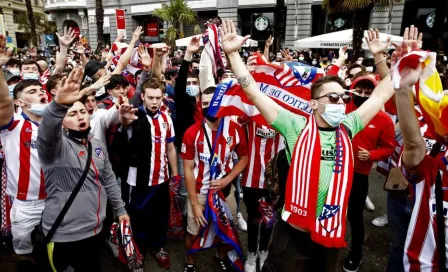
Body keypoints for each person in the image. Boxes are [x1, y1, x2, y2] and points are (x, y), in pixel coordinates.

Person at [219, 19, 395, 271]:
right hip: (293, 235)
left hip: (330, 235)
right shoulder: (294, 126)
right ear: (313, 103)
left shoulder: (348, 125)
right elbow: (254, 92)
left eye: (343, 97)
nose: (339, 102)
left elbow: (382, 93)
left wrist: (380, 57)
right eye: (332, 97)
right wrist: (233, 54)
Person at [36, 67, 130, 271]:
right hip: (63, 236)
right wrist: (58, 106)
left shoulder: (96, 145)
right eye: (71, 113)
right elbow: (46, 132)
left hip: (95, 232)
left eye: (82, 112)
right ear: (62, 121)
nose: (80, 116)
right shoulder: (53, 148)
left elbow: (109, 180)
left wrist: (121, 210)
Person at [392, 37, 448, 271]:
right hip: (401, 187)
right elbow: (410, 145)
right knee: (397, 244)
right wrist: (403, 89)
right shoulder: (418, 117)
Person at [181, 86, 249, 272]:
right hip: (200, 193)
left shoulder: (234, 129)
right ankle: (190, 262)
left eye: (213, 102)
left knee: (227, 230)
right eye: (204, 103)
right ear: (199, 105)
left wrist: (228, 180)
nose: (209, 106)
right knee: (193, 232)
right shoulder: (192, 132)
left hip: (226, 192)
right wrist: (194, 203)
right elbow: (187, 169)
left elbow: (244, 158)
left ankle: (221, 257)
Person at [118, 76, 179, 269]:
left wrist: (175, 175)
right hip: (138, 180)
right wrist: (124, 120)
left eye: (158, 98)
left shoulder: (166, 118)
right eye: (150, 97)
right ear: (142, 96)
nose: (154, 102)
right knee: (138, 217)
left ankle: (158, 246)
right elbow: (123, 125)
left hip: (161, 178)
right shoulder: (133, 116)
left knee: (160, 216)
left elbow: (170, 148)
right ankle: (137, 251)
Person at [343, 74, 396, 272]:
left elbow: (389, 148)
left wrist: (372, 154)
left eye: (368, 92)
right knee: (329, 211)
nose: (363, 95)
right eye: (359, 91)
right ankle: (325, 246)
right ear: (352, 90)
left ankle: (355, 254)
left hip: (359, 175)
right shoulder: (340, 110)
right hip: (333, 172)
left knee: (355, 217)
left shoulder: (383, 119)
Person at [0, 40, 47, 257]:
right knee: (22, 251)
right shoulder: (13, 125)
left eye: (41, 89)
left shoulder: (58, 123)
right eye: (32, 91)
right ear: (19, 103)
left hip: (56, 199)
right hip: (24, 204)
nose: (40, 93)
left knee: (56, 246)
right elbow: (3, 104)